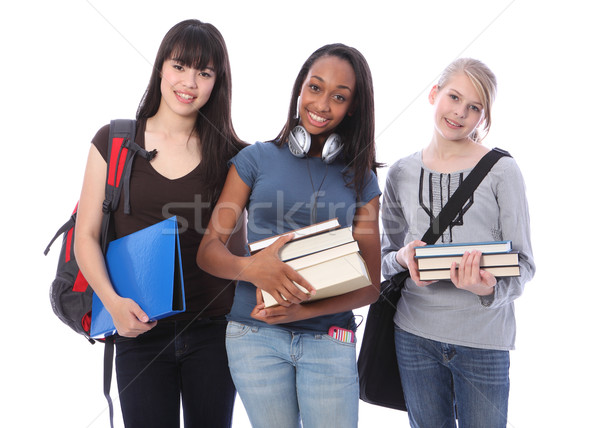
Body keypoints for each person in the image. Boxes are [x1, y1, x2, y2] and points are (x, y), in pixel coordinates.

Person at [197, 43, 381, 428]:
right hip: (254, 337)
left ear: (353, 108)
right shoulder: (255, 160)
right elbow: (208, 251)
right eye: (315, 88)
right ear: (299, 89)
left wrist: (304, 311)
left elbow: (370, 287)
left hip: (329, 339)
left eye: (339, 97)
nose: (322, 104)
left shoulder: (361, 178)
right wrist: (251, 269)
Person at [74, 19, 246, 427]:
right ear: (161, 68)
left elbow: (240, 247)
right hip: (137, 329)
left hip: (215, 334)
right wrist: (113, 305)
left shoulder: (233, 155)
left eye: (204, 73)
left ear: (217, 82)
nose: (189, 82)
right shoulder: (113, 141)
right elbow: (87, 237)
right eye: (180, 66)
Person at [380, 57, 535, 428]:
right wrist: (402, 257)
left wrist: (487, 289)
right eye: (453, 97)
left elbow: (525, 263)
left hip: (484, 341)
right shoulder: (400, 172)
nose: (460, 112)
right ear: (434, 94)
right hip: (414, 337)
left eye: (474, 107)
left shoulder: (502, 171)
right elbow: (383, 259)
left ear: (484, 118)